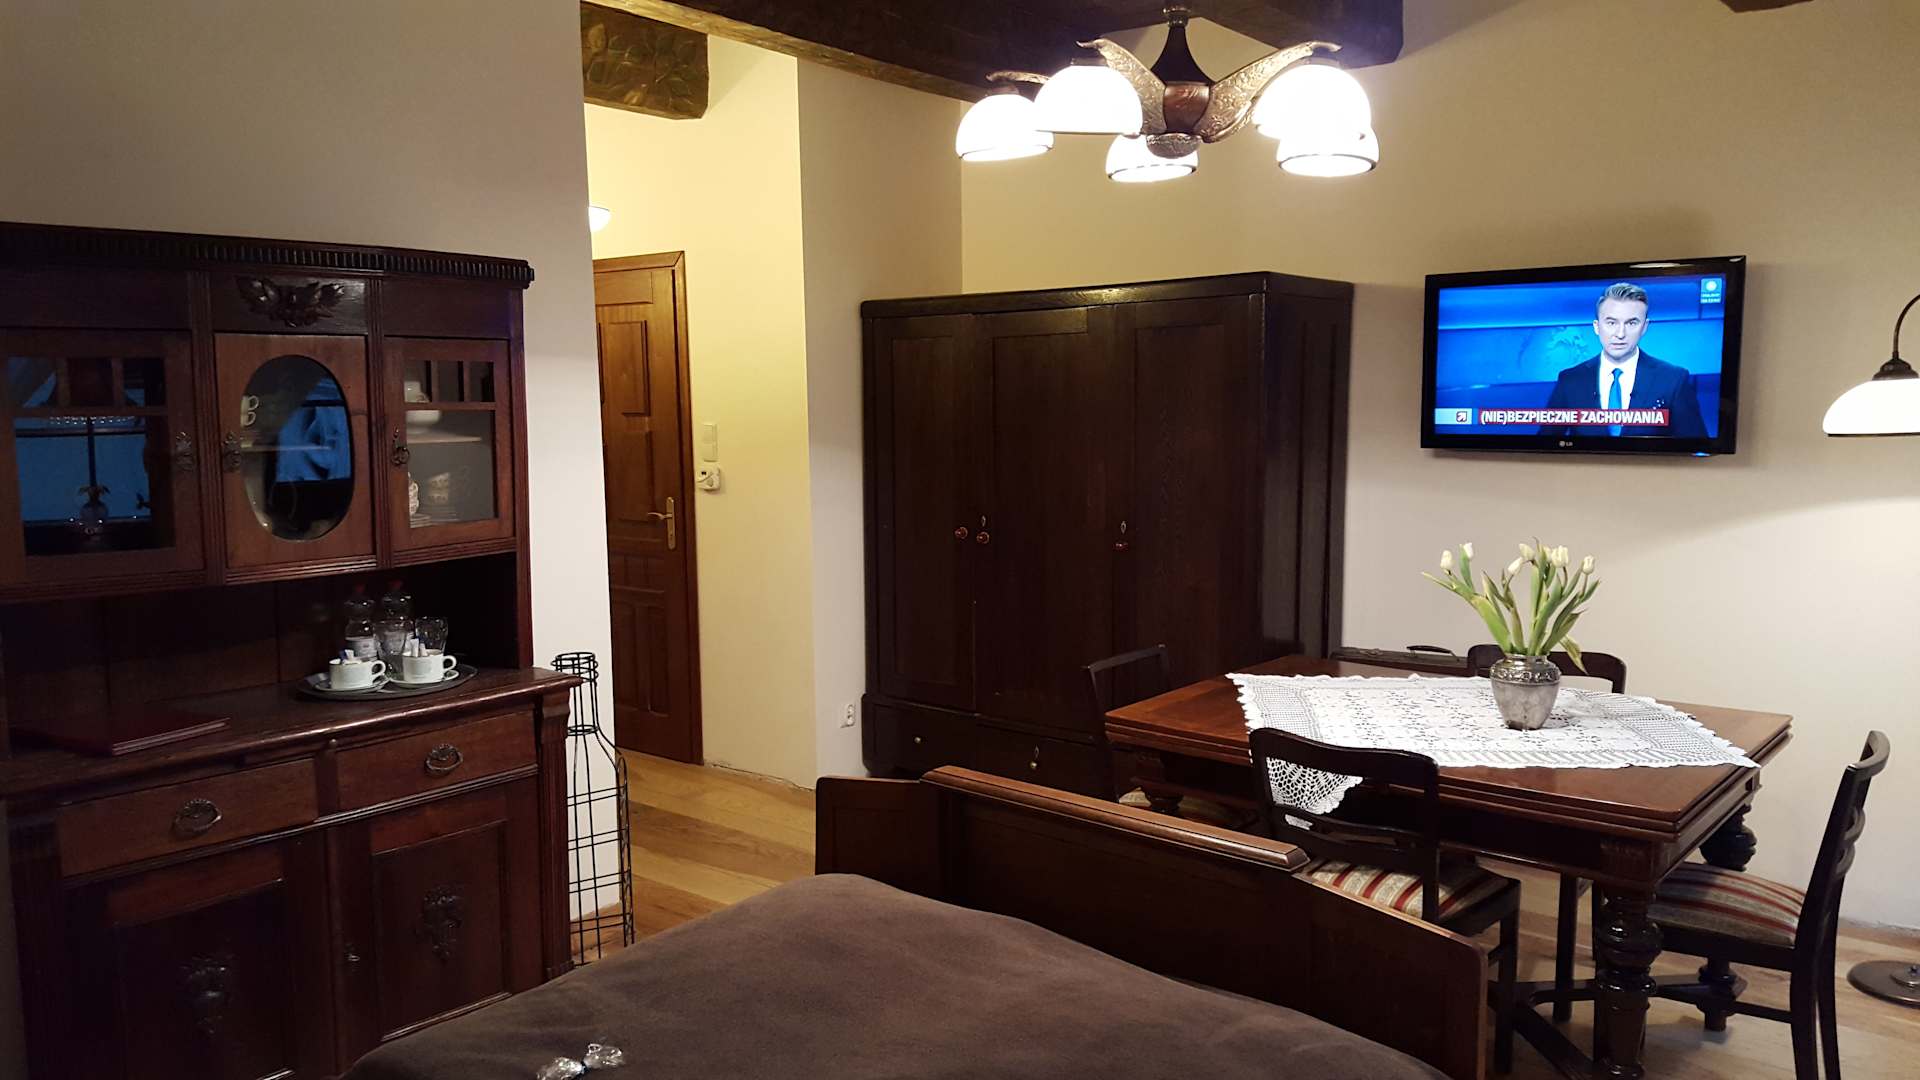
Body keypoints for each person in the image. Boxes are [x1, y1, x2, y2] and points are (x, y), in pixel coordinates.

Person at [1540, 282, 1708, 438]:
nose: (1620, 334)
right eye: (1611, 323)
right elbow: (1545, 443)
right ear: (1597, 327)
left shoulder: (1673, 379)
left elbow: (1695, 444)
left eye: (1631, 323)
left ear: (1644, 327)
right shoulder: (1570, 380)